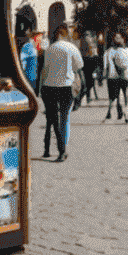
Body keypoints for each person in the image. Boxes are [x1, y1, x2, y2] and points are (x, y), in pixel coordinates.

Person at [40, 24, 82, 161]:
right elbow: (79, 66)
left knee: (52, 118)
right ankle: (62, 150)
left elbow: (45, 69)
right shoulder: (71, 48)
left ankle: (53, 149)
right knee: (64, 117)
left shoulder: (50, 49)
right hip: (66, 86)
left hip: (49, 86)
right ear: (65, 35)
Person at [104, 32, 128, 123]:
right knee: (124, 96)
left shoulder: (109, 51)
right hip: (125, 76)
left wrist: (104, 76)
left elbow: (105, 66)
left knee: (113, 97)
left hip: (112, 77)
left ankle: (109, 112)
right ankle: (125, 115)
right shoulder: (127, 50)